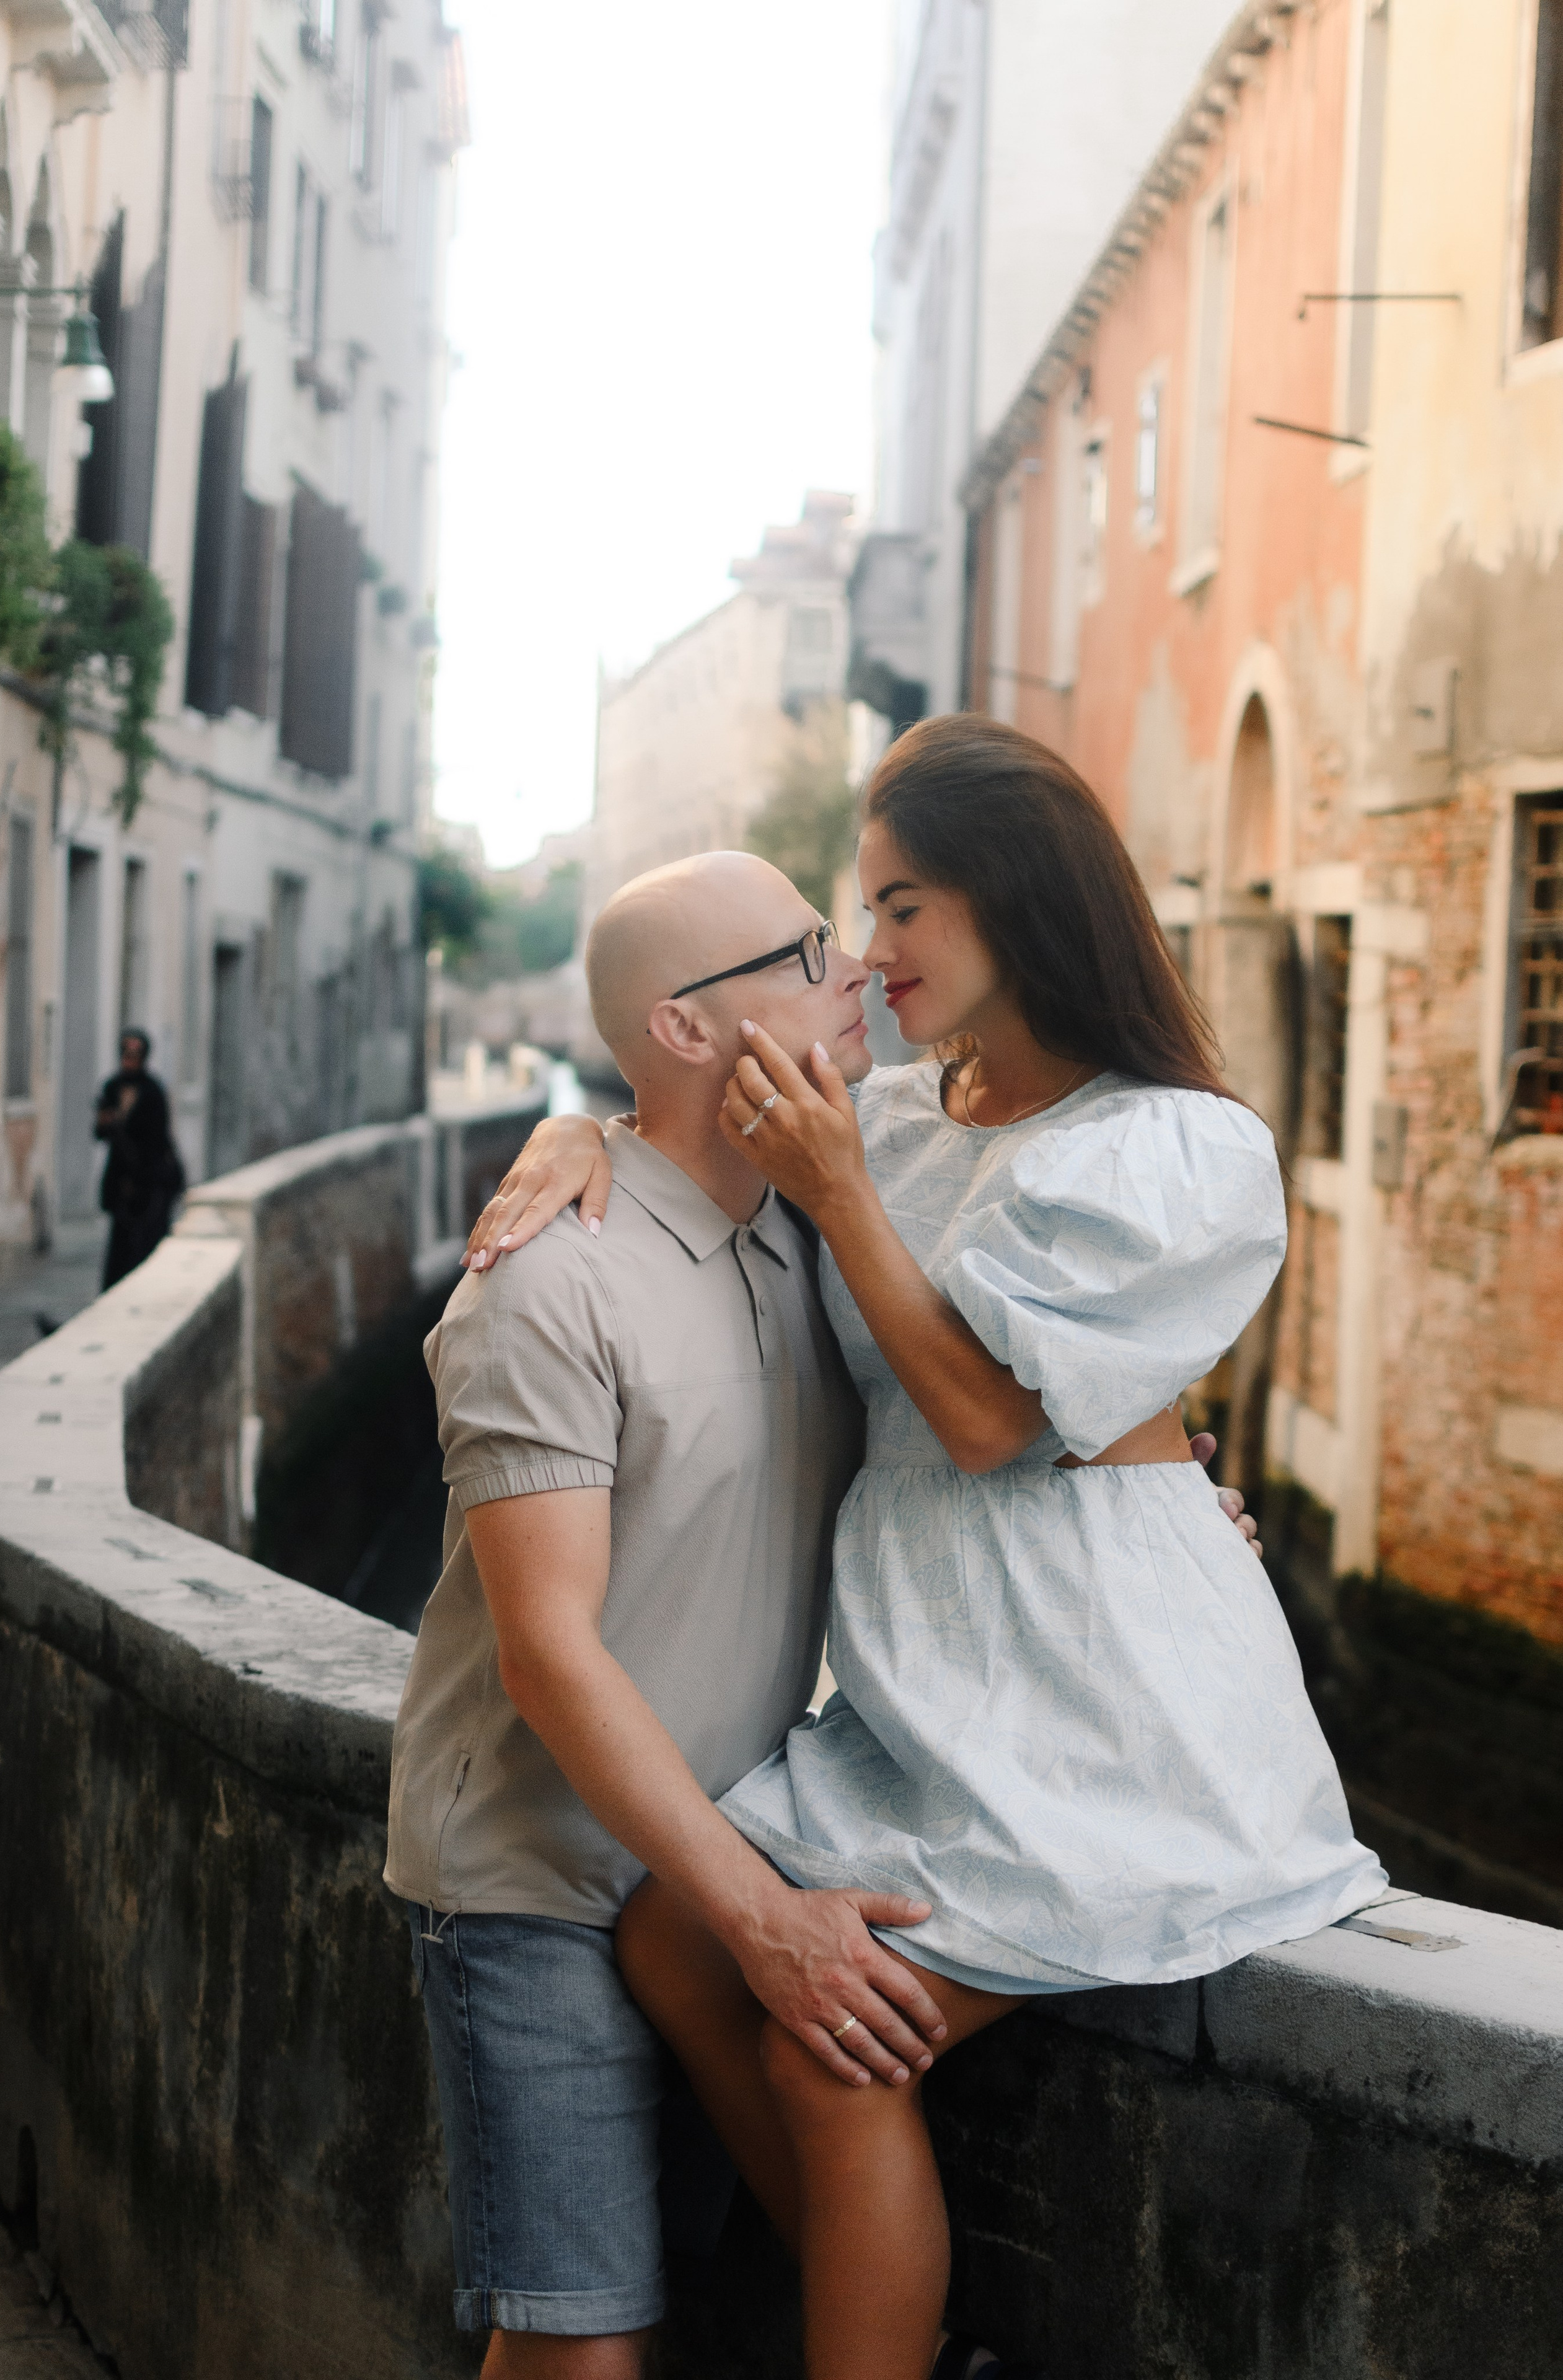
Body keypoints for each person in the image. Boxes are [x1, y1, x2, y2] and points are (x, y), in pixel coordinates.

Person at [478, 718, 1385, 2380]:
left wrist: (841, 1199)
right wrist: (572, 1143)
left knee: (839, 2058)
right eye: (859, 917)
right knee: (676, 1936)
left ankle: (880, 2345)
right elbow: (678, 1124)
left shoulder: (1175, 1148)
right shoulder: (889, 1120)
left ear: (1017, 901)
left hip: (1093, 1699)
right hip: (927, 1672)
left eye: (904, 909)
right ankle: (888, 2296)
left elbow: (982, 1420)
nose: (871, 955)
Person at [94, 1029, 184, 1289]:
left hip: (149, 1182)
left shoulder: (153, 1091)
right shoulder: (112, 1088)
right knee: (120, 1252)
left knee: (146, 1247)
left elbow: (157, 1140)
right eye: (126, 1054)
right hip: (121, 1180)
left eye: (135, 1055)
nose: (129, 1061)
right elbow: (100, 1133)